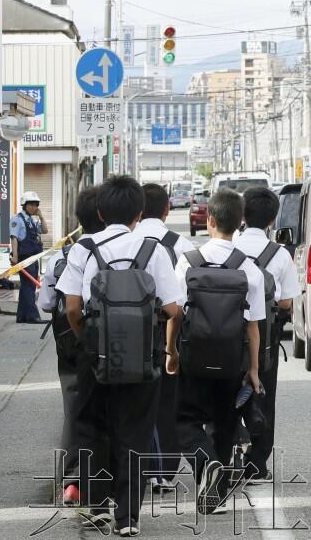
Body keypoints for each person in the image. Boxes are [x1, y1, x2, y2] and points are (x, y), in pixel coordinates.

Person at [57, 176, 182, 537]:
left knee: (93, 427)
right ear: (139, 214)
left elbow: (72, 308)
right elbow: (173, 307)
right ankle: (128, 518)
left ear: (99, 211)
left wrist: (88, 341)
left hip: (95, 355)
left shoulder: (84, 248)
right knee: (136, 432)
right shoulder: (152, 249)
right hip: (143, 357)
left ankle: (98, 507)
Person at [174, 189, 266, 516]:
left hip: (193, 356)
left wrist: (171, 354)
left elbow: (175, 313)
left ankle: (206, 464)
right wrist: (253, 369)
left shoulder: (188, 262)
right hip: (232, 359)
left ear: (209, 220)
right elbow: (253, 326)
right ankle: (217, 495)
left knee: (183, 421)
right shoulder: (249, 268)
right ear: (240, 222)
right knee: (225, 424)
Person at [37, 186, 103, 507]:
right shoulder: (123, 253)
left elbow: (46, 302)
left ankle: (73, 480)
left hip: (69, 344)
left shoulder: (61, 258)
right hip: (110, 343)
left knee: (74, 407)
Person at [133, 183, 197, 490]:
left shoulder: (127, 241)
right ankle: (166, 468)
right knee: (169, 400)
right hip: (172, 327)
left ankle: (143, 466)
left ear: (137, 210)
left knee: (137, 399)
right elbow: (187, 298)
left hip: (131, 332)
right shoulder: (180, 244)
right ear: (167, 208)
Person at [235, 187, 299, 482]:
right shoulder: (281, 255)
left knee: (226, 391)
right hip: (265, 333)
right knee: (263, 393)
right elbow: (286, 302)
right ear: (273, 220)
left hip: (224, 331)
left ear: (242, 216)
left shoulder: (230, 245)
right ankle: (257, 462)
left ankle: (227, 453)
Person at [11, 191, 49, 324]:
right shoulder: (17, 219)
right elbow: (14, 238)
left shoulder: (31, 220)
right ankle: (33, 316)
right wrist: (15, 256)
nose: (34, 207)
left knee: (28, 286)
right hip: (24, 258)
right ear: (24, 205)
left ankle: (21, 316)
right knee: (29, 286)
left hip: (33, 258)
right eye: (31, 204)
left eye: (36, 205)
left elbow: (45, 230)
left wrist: (42, 217)